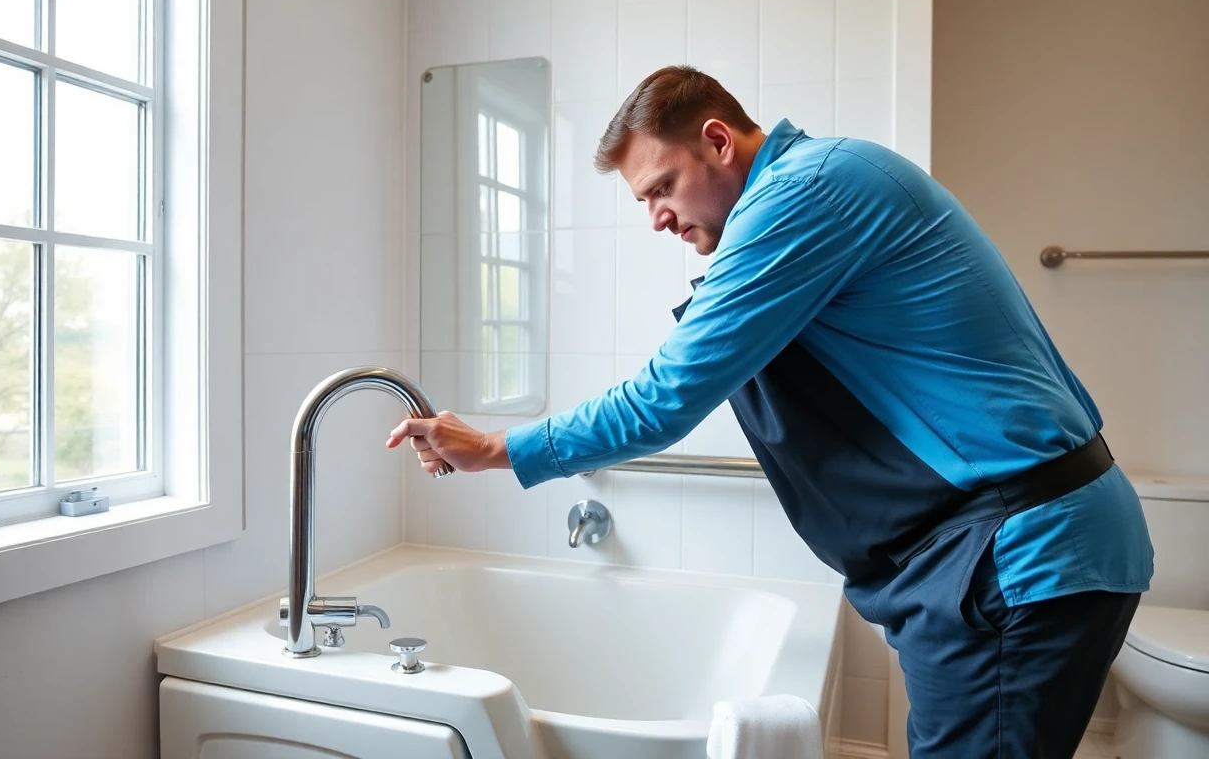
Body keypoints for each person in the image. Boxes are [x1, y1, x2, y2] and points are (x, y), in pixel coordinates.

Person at [386, 65, 1154, 758]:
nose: (656, 218)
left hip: (1013, 551)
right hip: (1015, 543)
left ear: (718, 141)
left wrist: (491, 447)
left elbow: (663, 400)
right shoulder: (830, 178)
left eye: (661, 187)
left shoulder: (802, 194)